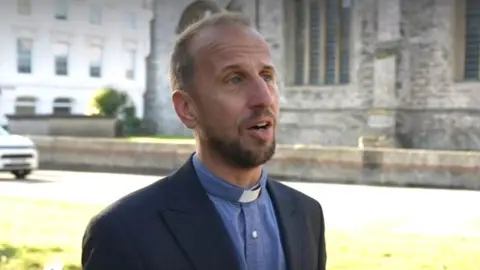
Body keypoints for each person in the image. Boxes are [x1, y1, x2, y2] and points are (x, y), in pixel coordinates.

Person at [81, 12, 326, 270]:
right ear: (187, 108)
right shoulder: (122, 232)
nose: (264, 98)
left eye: (266, 76)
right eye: (235, 79)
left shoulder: (308, 216)